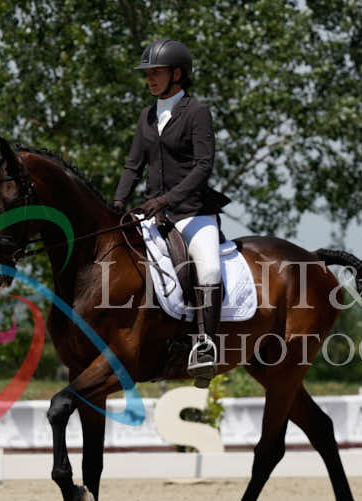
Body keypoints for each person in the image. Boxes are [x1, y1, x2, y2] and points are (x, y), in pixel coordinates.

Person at [113, 38, 229, 387]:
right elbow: (133, 166)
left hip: (193, 213)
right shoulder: (147, 116)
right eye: (147, 73)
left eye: (157, 72)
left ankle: (205, 346)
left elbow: (203, 166)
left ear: (177, 74)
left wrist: (166, 199)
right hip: (154, 216)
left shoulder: (197, 112)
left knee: (209, 268)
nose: (149, 79)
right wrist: (116, 205)